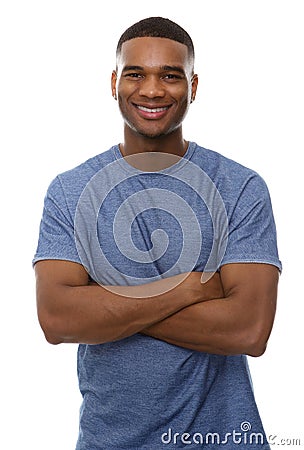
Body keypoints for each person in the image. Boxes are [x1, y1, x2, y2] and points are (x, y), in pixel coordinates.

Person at [33, 17, 281, 449]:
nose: (151, 90)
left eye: (170, 75)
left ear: (194, 86)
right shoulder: (71, 191)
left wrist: (106, 301)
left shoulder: (239, 187)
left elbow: (248, 330)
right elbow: (57, 319)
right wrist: (189, 289)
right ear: (114, 82)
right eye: (135, 74)